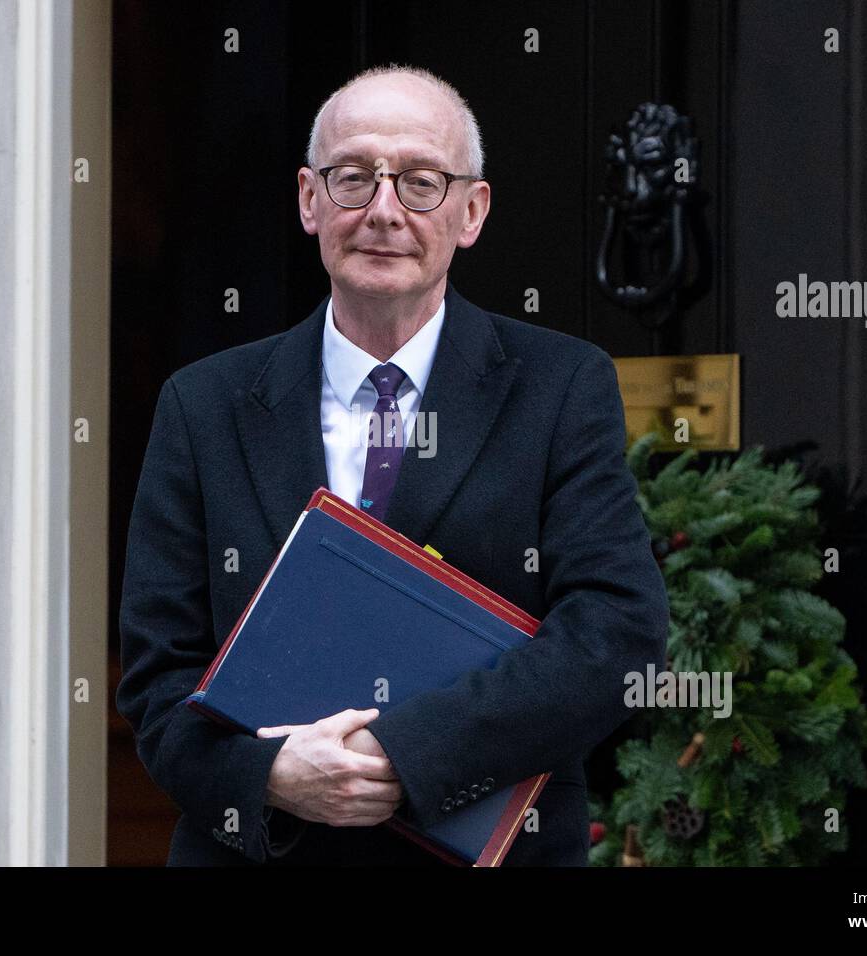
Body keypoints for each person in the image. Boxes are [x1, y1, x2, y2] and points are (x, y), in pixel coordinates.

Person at [116, 64, 668, 865]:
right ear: (309, 199)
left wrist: (403, 754)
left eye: (419, 182)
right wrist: (270, 774)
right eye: (353, 179)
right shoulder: (204, 406)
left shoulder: (560, 386)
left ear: (471, 211)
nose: (383, 212)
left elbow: (616, 633)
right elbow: (158, 677)